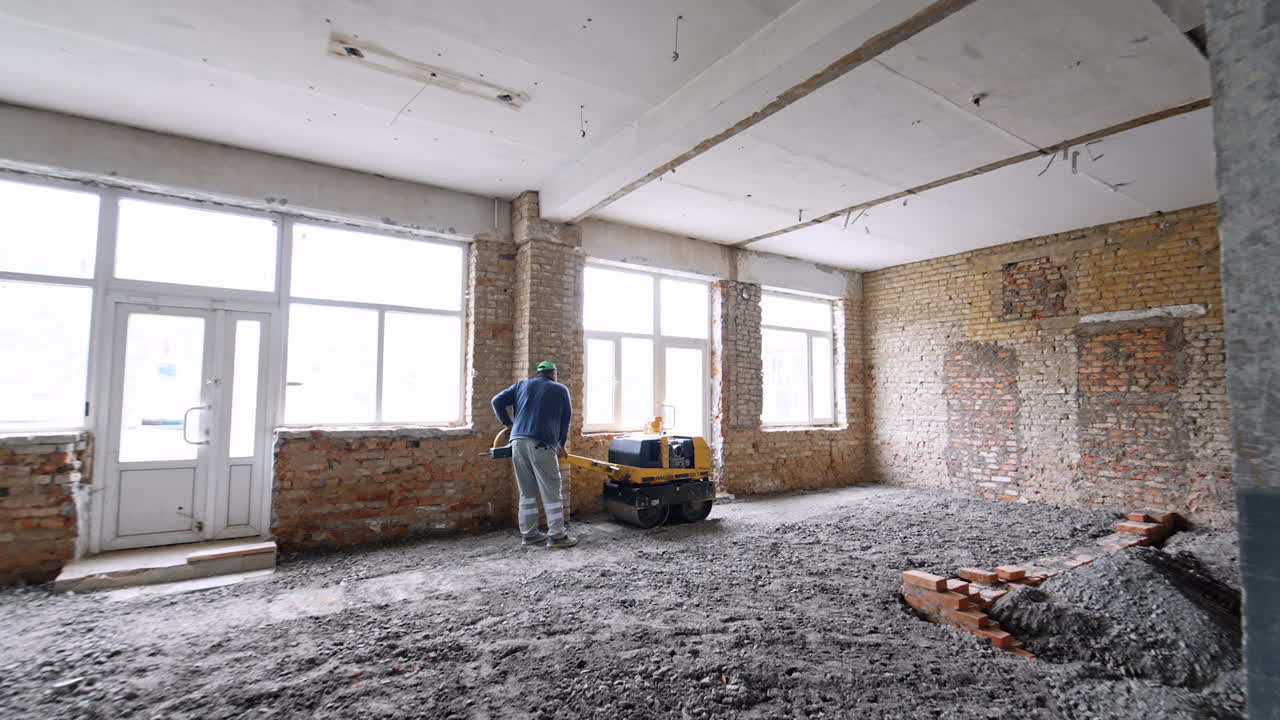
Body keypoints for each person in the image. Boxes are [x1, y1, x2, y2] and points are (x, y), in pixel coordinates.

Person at [491, 360, 578, 548]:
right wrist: (561, 444)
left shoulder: (521, 385)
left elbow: (496, 400)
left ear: (538, 373)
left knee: (527, 492)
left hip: (517, 443)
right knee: (551, 490)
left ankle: (529, 535)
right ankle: (556, 536)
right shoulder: (560, 389)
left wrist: (509, 424)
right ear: (553, 373)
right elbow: (565, 421)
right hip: (541, 443)